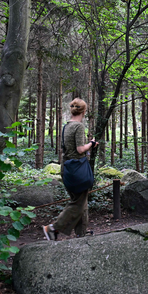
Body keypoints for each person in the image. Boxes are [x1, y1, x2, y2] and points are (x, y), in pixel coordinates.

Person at [43, 98, 96, 240]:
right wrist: (91, 144)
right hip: (77, 169)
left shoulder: (66, 126)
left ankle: (81, 234)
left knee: (81, 202)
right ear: (84, 111)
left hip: (67, 168)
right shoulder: (78, 126)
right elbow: (80, 149)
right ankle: (52, 228)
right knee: (78, 203)